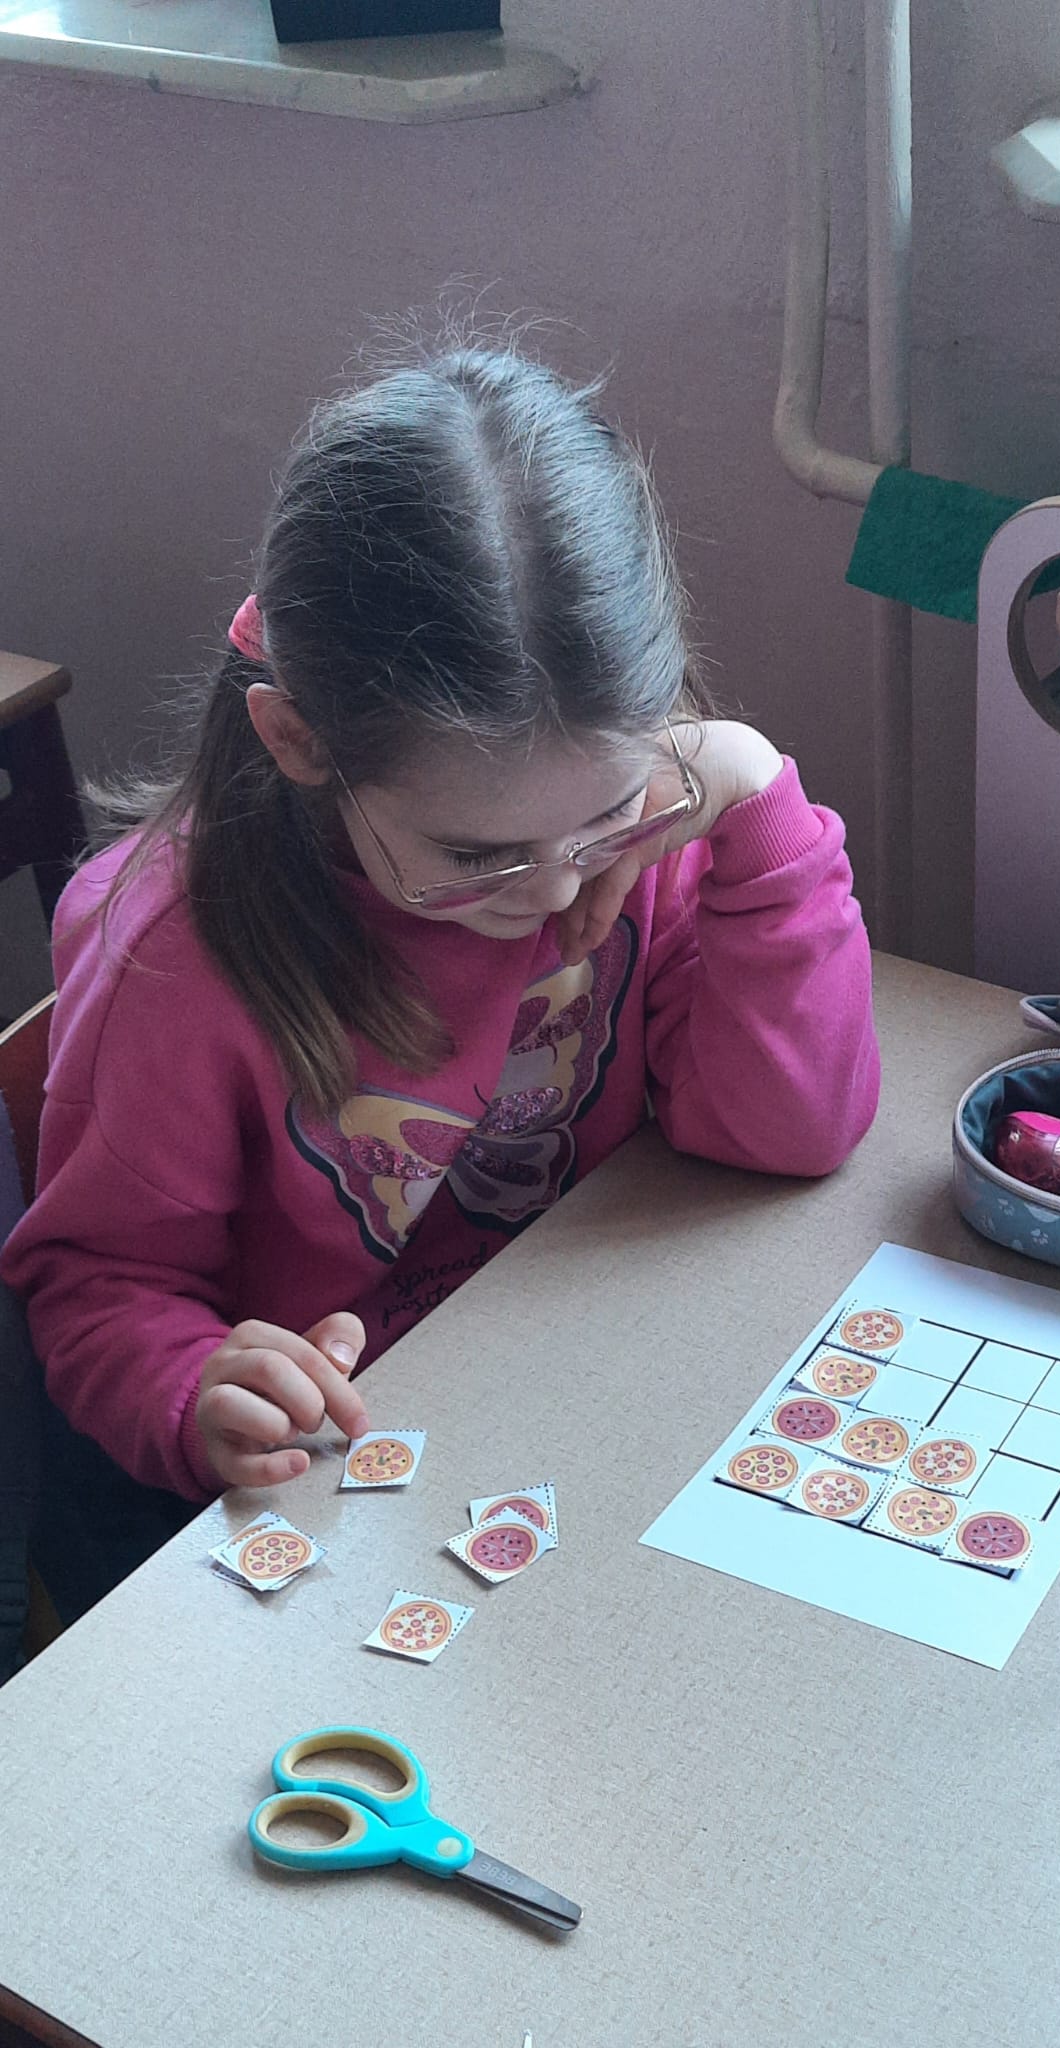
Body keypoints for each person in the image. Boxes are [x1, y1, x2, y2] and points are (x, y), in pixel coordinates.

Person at [2, 342, 880, 1512]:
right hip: (334, 1479)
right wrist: (189, 1390)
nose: (557, 890)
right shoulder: (173, 955)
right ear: (299, 741)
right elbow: (98, 1284)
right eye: (477, 856)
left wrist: (756, 793)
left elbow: (792, 1130)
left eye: (605, 815)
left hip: (582, 1388)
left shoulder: (651, 822)